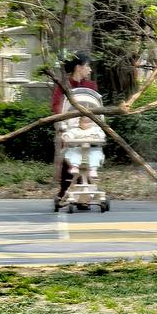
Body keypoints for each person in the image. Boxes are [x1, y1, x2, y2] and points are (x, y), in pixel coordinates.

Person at [51, 55, 94, 204]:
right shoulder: (63, 86)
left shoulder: (90, 86)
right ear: (78, 67)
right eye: (87, 66)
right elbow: (56, 106)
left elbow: (96, 106)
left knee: (88, 157)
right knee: (69, 158)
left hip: (88, 126)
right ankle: (65, 191)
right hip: (69, 127)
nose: (90, 69)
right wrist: (64, 121)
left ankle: (84, 194)